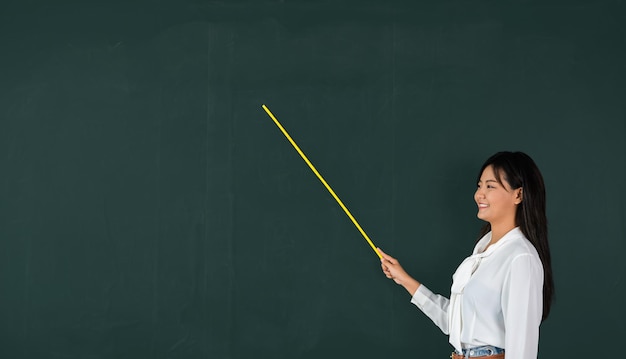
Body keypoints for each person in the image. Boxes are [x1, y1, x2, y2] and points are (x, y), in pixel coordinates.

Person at [379, 151, 554, 359]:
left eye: (490, 186)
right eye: (479, 185)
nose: (479, 194)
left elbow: (522, 346)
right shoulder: (482, 251)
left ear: (518, 194)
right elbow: (454, 322)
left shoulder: (520, 257)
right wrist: (405, 279)